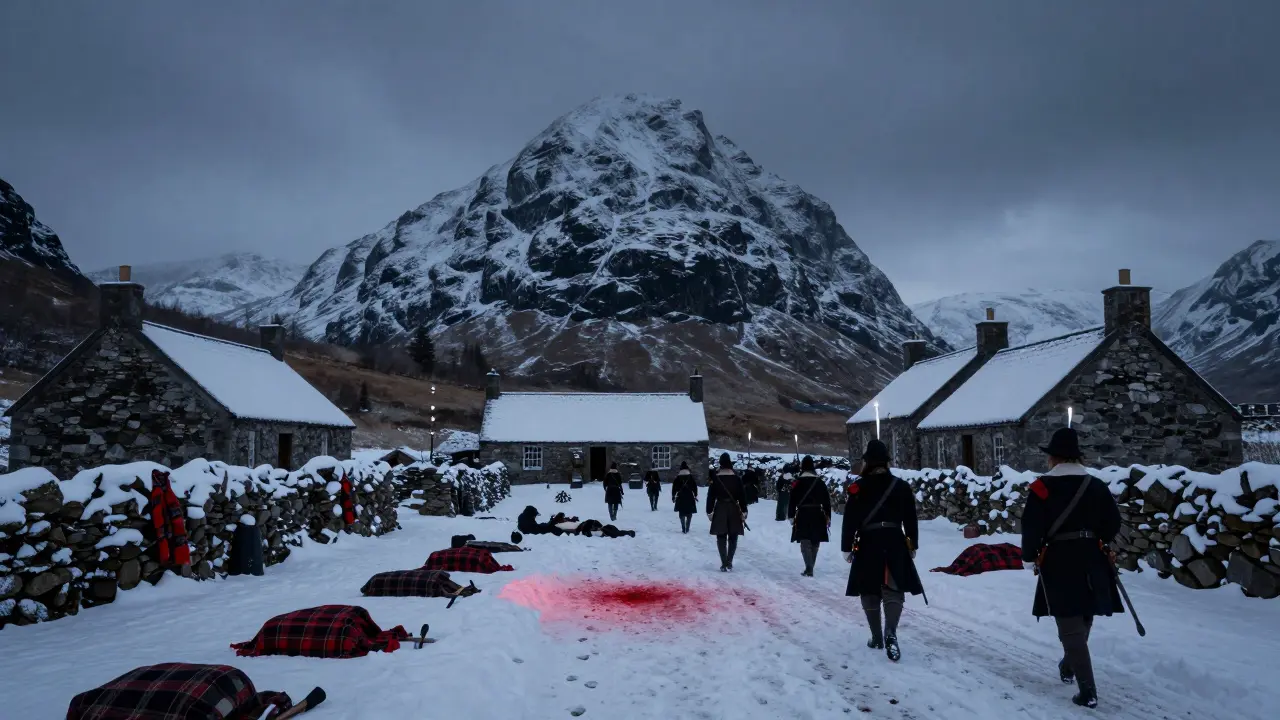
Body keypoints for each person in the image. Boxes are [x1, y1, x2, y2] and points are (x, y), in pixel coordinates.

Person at [1021, 427, 1123, 710]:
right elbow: (1113, 524)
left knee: (1069, 622)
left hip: (1059, 559)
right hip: (1092, 557)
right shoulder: (1096, 486)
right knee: (1084, 616)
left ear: (1053, 458)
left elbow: (1031, 526)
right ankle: (1070, 663)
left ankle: (1087, 690)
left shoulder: (1041, 487)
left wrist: (1030, 556)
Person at [842, 439, 923, 663]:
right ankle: (891, 633)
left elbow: (850, 519)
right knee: (893, 588)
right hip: (895, 541)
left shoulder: (858, 487)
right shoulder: (901, 486)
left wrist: (846, 547)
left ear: (867, 462)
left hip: (868, 542)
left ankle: (877, 636)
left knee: (869, 590)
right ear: (887, 462)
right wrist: (912, 543)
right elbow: (911, 519)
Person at [789, 456, 832, 577]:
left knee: (805, 541)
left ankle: (809, 567)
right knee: (815, 541)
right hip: (818, 513)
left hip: (803, 514)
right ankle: (810, 566)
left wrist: (791, 515)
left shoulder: (798, 483)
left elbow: (792, 500)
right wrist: (828, 515)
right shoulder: (820, 483)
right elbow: (827, 501)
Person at [707, 452, 748, 571]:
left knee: (721, 537)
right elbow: (742, 496)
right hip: (734, 509)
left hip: (720, 508)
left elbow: (711, 497)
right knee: (733, 536)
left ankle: (724, 562)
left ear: (720, 463)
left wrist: (709, 511)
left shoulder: (716, 478)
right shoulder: (737, 478)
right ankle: (729, 561)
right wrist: (744, 511)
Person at [672, 461, 699, 533]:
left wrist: (673, 496)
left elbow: (674, 487)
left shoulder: (678, 477)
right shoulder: (690, 477)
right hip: (689, 496)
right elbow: (694, 487)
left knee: (681, 513)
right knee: (689, 513)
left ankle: (683, 527)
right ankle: (687, 527)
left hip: (680, 496)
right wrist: (695, 495)